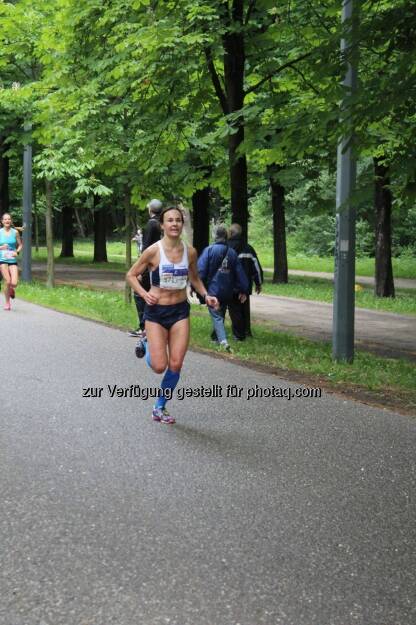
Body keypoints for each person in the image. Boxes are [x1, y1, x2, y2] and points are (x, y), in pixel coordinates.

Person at [126, 205, 218, 425]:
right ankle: (147, 342)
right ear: (162, 225)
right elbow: (131, 275)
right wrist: (144, 294)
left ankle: (159, 407)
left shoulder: (190, 252)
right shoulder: (153, 251)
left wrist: (206, 295)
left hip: (179, 312)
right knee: (159, 366)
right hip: (156, 313)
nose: (174, 223)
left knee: (176, 364)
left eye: (178, 220)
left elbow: (194, 278)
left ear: (182, 224)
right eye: (170, 220)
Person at [197, 225, 249, 352]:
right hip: (227, 291)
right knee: (220, 312)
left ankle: (221, 340)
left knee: (217, 315)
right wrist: (244, 289)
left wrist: (195, 287)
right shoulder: (232, 252)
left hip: (213, 291)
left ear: (214, 236)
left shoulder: (209, 250)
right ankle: (216, 337)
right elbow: (239, 273)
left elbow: (200, 271)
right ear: (226, 236)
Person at [128, 199, 163, 338]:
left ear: (150, 209)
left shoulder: (151, 224)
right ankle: (153, 325)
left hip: (149, 266)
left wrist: (140, 271)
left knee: (140, 293)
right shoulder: (162, 224)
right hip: (160, 264)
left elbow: (146, 249)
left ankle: (144, 327)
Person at [227, 223, 263, 340]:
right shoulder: (248, 248)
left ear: (230, 233)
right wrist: (258, 283)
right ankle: (246, 332)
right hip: (245, 285)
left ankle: (237, 334)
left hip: (230, 285)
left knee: (233, 309)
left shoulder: (226, 247)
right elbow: (256, 267)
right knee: (244, 309)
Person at [0, 213, 23, 311]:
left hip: (12, 259)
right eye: (5, 219)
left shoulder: (15, 232)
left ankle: (11, 289)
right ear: (2, 221)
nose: (7, 221)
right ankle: (7, 303)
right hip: (2, 260)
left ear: (11, 221)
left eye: (9, 219)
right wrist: (1, 247)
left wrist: (17, 252)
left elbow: (20, 245)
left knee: (14, 283)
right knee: (8, 281)